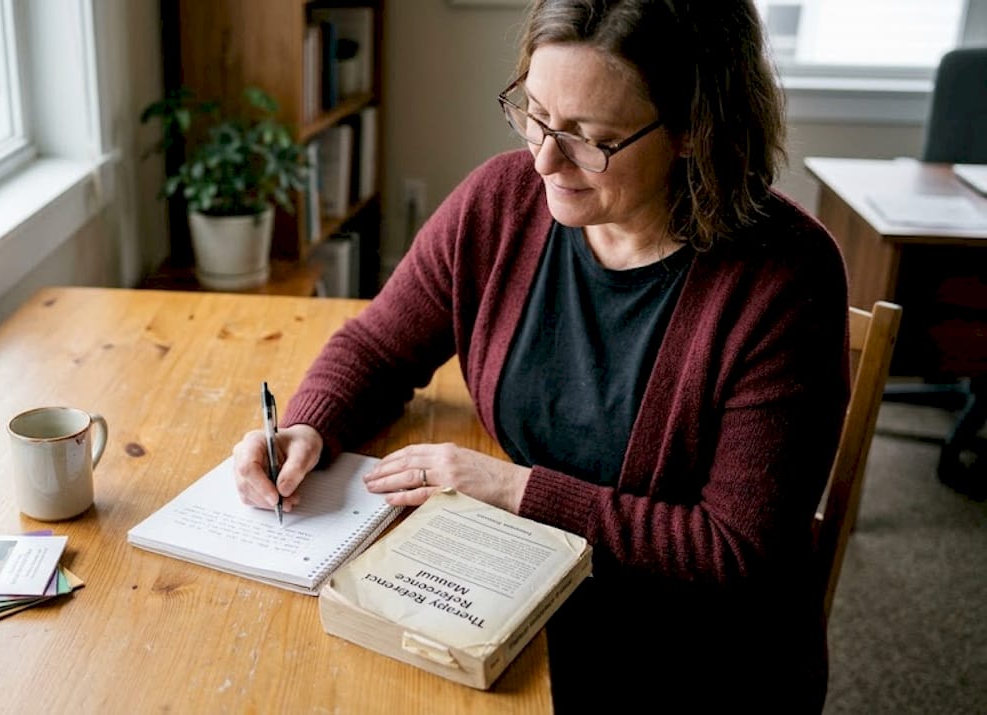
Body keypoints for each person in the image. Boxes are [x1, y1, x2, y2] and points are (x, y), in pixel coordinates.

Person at [233, 0, 849, 710]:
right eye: (536, 113)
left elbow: (732, 552)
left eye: (591, 138)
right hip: (514, 582)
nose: (545, 160)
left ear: (691, 130)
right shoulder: (501, 202)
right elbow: (379, 345)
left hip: (689, 650)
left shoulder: (785, 280)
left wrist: (514, 490)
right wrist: (307, 427)